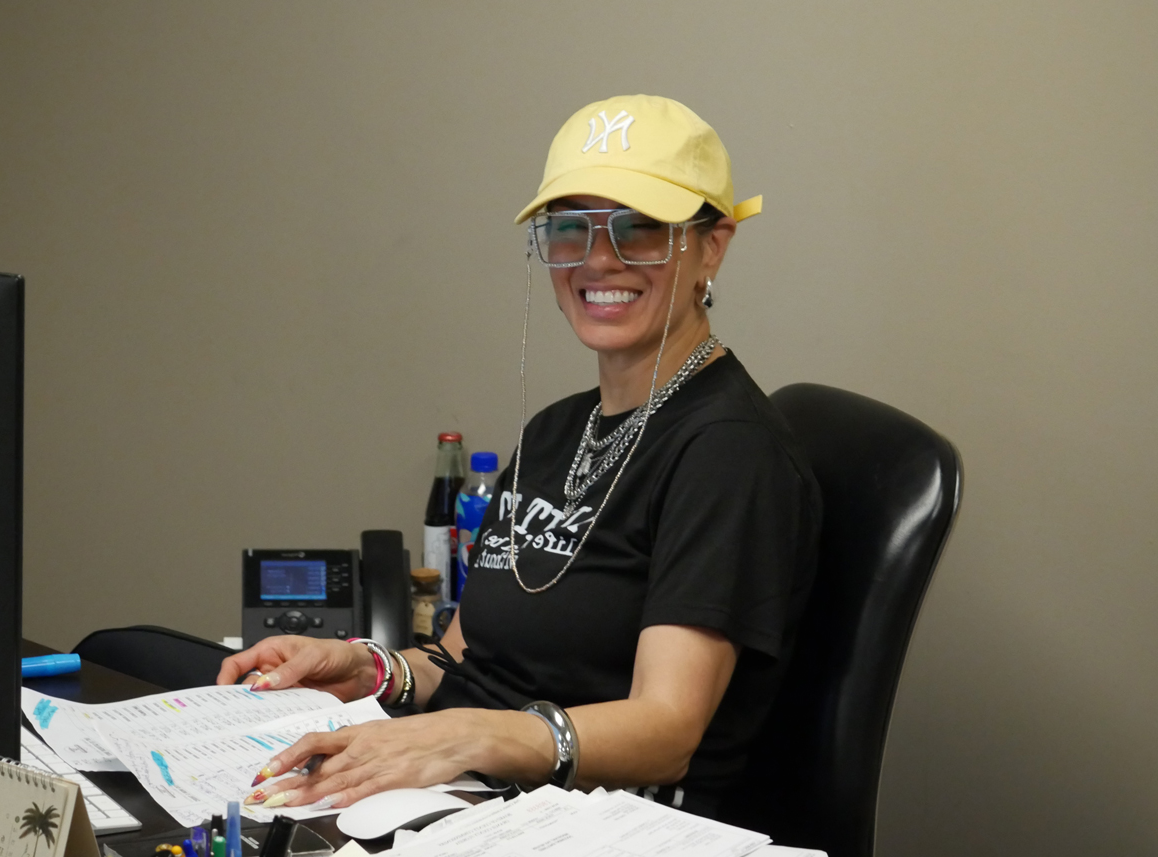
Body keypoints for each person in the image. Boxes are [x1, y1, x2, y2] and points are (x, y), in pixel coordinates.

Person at [218, 94, 821, 819]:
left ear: (712, 245)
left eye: (639, 228)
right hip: (465, 787)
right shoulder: (558, 431)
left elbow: (666, 731)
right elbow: (462, 659)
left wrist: (461, 738)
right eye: (570, 228)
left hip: (592, 820)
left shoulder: (729, 452)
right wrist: (368, 667)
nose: (600, 258)